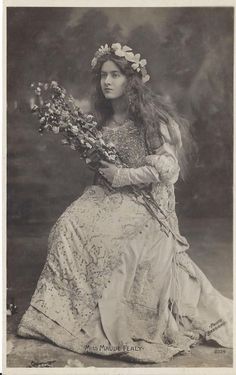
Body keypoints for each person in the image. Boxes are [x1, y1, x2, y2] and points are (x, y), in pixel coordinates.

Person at [17, 43, 232, 364]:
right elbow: (105, 164)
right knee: (69, 225)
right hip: (107, 193)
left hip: (147, 203)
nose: (107, 82)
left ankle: (114, 316)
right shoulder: (102, 120)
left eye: (115, 75)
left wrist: (122, 175)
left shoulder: (152, 119)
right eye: (103, 75)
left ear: (131, 80)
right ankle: (66, 314)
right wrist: (97, 161)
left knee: (116, 240)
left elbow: (168, 171)